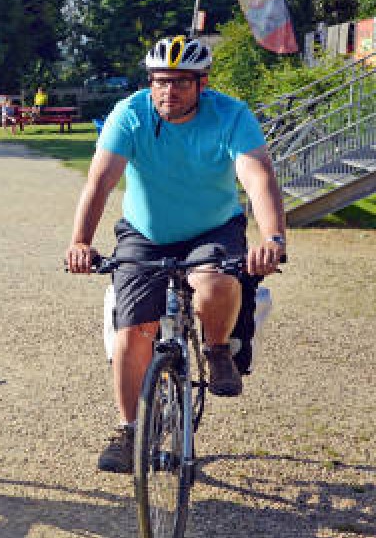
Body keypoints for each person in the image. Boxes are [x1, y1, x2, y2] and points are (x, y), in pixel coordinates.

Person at [64, 36, 286, 474]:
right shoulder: (130, 113)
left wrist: (273, 239)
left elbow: (258, 177)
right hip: (145, 233)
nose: (169, 92)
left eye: (182, 83)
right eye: (161, 82)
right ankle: (129, 431)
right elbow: (100, 182)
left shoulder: (231, 115)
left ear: (203, 84)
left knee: (216, 283)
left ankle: (218, 350)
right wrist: (80, 241)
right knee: (133, 332)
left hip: (212, 228)